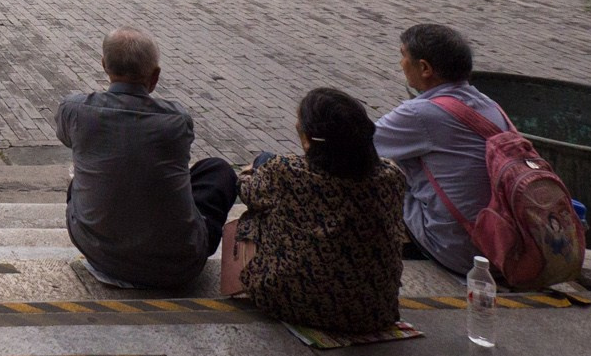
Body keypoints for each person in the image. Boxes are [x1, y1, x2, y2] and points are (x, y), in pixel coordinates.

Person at [56, 29, 237, 290]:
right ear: (155, 76)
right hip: (179, 265)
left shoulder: (74, 110)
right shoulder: (176, 120)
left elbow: (67, 138)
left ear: (104, 66)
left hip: (101, 254)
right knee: (218, 170)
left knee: (80, 179)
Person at [228, 88, 407, 333]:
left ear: (307, 139)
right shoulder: (392, 176)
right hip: (373, 311)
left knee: (255, 210)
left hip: (292, 303)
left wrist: (251, 172)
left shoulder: (286, 172)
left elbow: (247, 191)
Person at [372, 23, 507, 274]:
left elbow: (358, 145)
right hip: (502, 245)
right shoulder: (489, 106)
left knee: (375, 169)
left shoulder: (421, 113)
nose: (401, 63)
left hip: (459, 249)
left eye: (403, 56)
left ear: (425, 68)